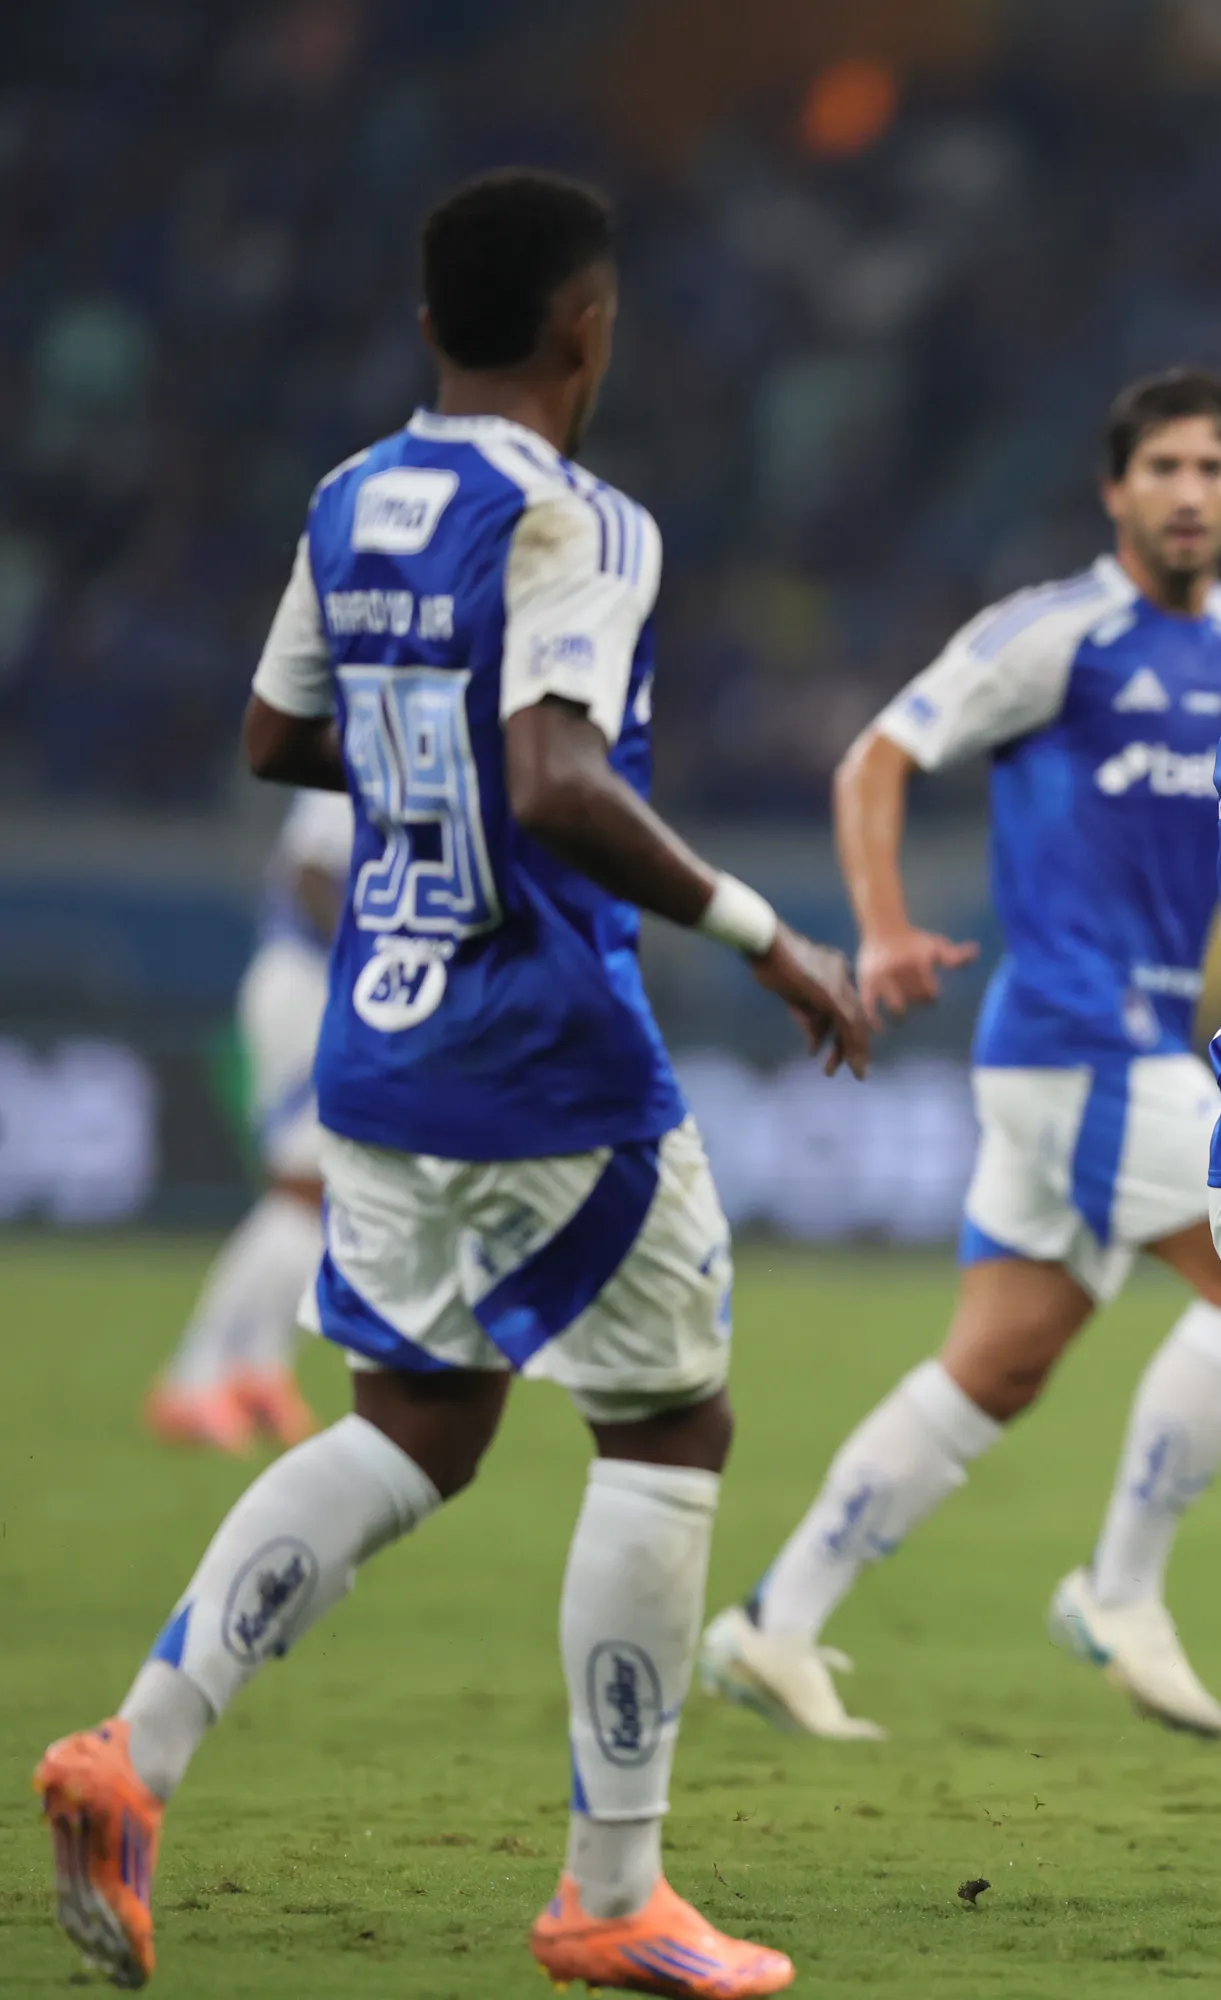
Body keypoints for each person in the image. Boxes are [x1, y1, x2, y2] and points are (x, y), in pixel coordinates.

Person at [31, 169, 870, 1996]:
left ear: (432, 326)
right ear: (592, 327)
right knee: (667, 1428)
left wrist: (425, 765)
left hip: (378, 1035)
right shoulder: (582, 521)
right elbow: (558, 779)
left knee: (419, 1423)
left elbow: (272, 736)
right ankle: (613, 1892)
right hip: (546, 1038)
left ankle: (135, 1753)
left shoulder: (356, 494)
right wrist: (766, 934)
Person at [699, 370, 1221, 1743]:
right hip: (1072, 1040)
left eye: (1214, 467)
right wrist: (883, 927)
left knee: (1000, 1362)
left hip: (1152, 1043)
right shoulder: (1054, 636)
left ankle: (772, 1623)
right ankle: (1120, 1589)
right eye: (1164, 467)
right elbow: (876, 758)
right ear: (1116, 491)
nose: (1191, 491)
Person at [146, 791, 353, 1453]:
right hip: (309, 983)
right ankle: (193, 1379)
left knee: (325, 1196)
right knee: (302, 1191)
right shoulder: (352, 763)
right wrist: (368, 958)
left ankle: (259, 1370)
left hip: (319, 985)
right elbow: (310, 874)